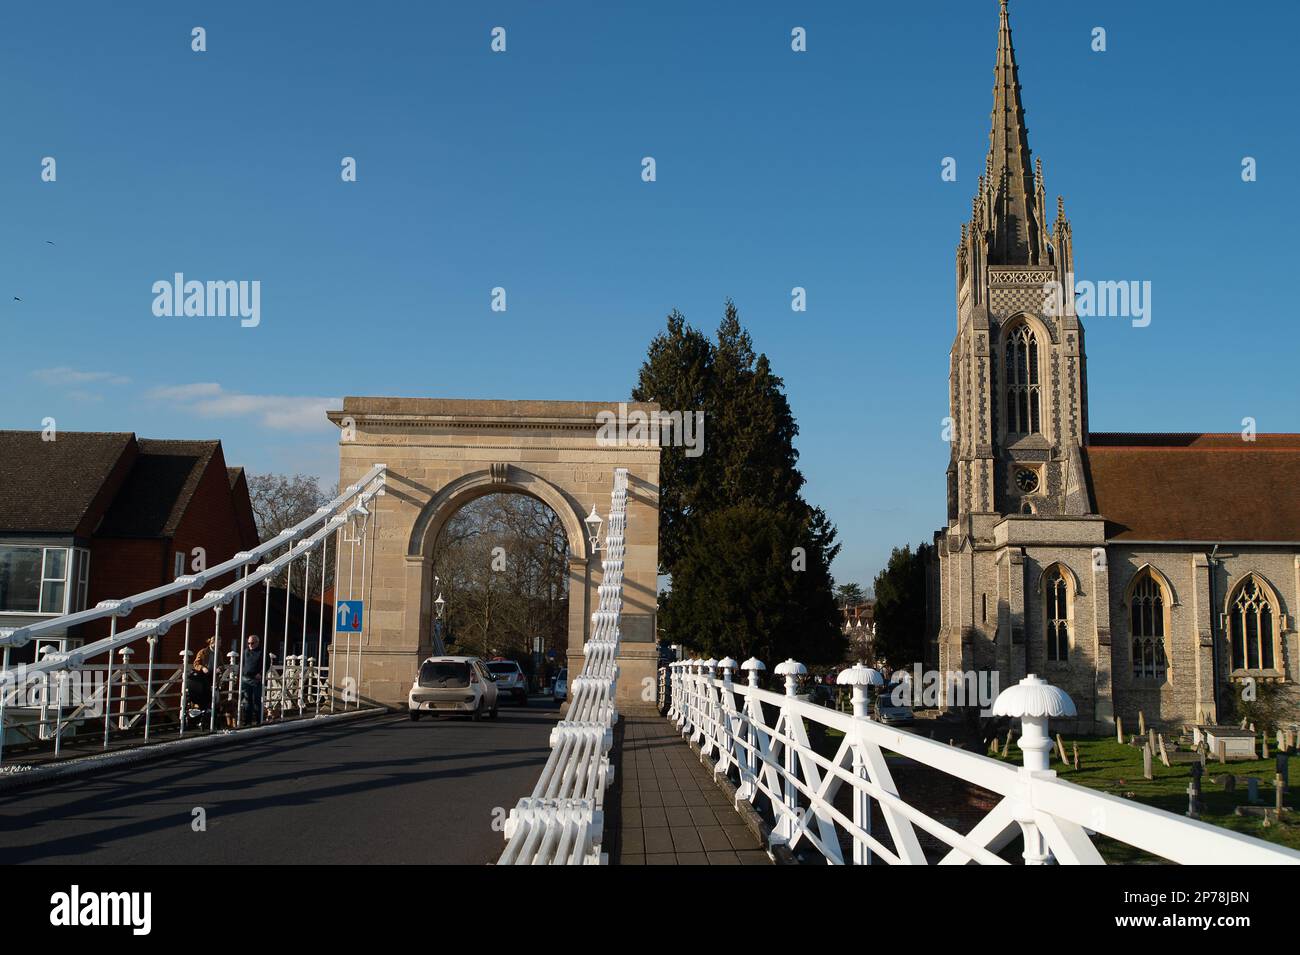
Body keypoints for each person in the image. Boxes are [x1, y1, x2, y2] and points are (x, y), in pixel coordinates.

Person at [241, 634, 264, 724]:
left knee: (257, 701)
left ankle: (259, 720)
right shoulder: (245, 652)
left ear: (257, 643)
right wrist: (239, 677)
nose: (250, 645)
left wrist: (260, 673)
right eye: (248, 643)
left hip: (256, 680)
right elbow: (241, 665)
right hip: (246, 679)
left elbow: (266, 664)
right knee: (247, 701)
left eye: (252, 643)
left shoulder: (262, 652)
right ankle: (247, 721)